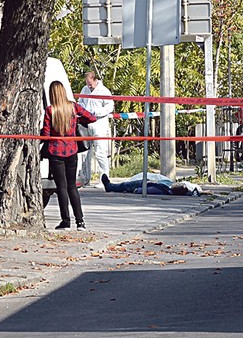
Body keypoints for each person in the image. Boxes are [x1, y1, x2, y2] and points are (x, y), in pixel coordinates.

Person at [41, 80, 96, 231]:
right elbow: (92, 117)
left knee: (61, 188)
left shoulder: (51, 110)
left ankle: (65, 221)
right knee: (72, 187)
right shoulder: (73, 107)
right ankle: (80, 222)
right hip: (72, 150)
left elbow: (46, 134)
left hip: (55, 152)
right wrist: (78, 120)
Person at [77, 71, 114, 187]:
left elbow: (109, 107)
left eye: (90, 83)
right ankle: (85, 179)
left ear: (95, 80)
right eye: (87, 83)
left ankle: (104, 178)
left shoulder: (104, 91)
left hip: (99, 123)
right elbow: (80, 102)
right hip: (87, 123)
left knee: (100, 152)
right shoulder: (84, 90)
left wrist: (96, 112)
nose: (89, 86)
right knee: (85, 152)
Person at [99, 173, 203, 196]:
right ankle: (111, 186)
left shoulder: (165, 189)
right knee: (125, 184)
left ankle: (110, 187)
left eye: (178, 185)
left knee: (124, 186)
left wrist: (138, 191)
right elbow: (195, 191)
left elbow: (152, 190)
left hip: (142, 185)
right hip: (147, 182)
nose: (178, 183)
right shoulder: (170, 185)